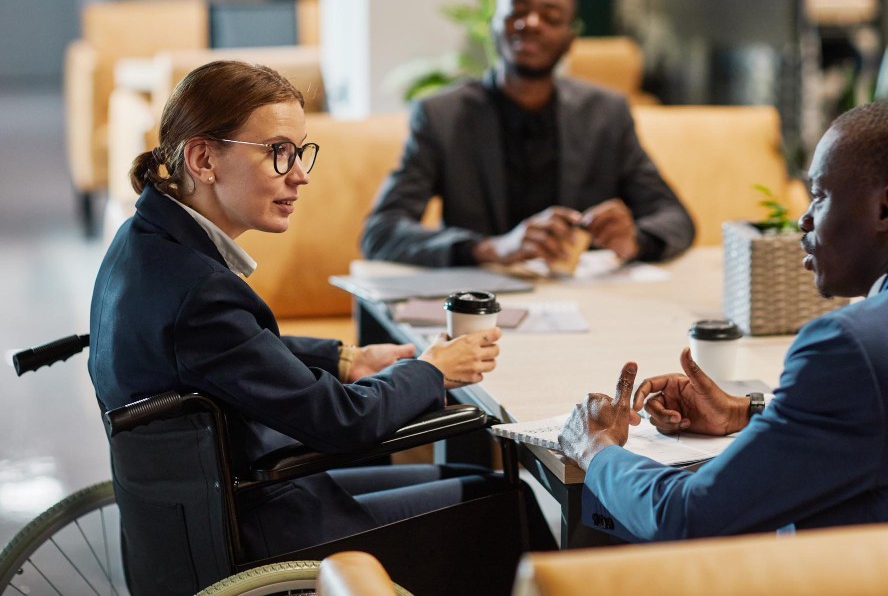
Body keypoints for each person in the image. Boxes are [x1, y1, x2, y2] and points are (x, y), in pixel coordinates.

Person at [89, 60, 553, 594]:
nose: (300, 174)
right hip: (259, 532)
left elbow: (219, 350)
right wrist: (431, 371)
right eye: (278, 152)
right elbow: (340, 421)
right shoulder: (200, 291)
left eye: (300, 151)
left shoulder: (142, 242)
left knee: (477, 483)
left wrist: (343, 359)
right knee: (504, 505)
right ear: (203, 158)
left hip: (200, 514)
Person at [559, 98, 888, 542]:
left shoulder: (851, 345)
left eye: (821, 195)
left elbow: (687, 518)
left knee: (591, 530)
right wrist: (746, 414)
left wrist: (596, 448)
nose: (803, 219)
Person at [361, 0, 695, 267]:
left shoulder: (605, 114)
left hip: (585, 301)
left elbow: (676, 218)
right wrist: (490, 248)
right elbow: (381, 231)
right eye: (517, 12)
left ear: (570, 39)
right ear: (494, 26)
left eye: (550, 17)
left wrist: (635, 238)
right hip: (482, 302)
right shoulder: (442, 116)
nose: (531, 23)